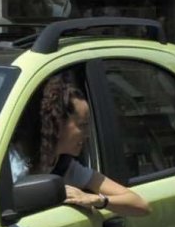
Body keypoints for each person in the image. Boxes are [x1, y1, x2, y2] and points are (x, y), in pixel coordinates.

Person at [25, 78, 150, 217]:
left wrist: (96, 199)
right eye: (83, 125)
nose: (88, 135)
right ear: (58, 125)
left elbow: (140, 205)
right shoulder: (15, 165)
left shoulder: (68, 168)